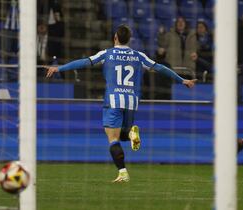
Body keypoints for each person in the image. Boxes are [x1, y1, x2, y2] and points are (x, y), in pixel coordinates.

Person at [45, 25, 197, 182]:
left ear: (115, 38)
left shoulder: (107, 54)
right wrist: (182, 80)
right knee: (122, 135)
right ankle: (131, 133)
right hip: (132, 101)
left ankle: (123, 172)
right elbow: (160, 68)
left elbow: (84, 62)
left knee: (113, 138)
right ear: (129, 39)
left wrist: (60, 68)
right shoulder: (138, 55)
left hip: (113, 101)